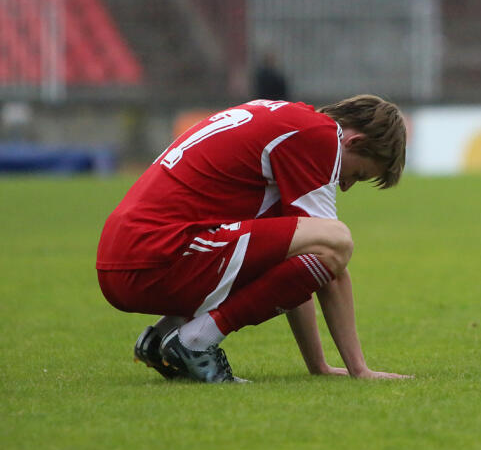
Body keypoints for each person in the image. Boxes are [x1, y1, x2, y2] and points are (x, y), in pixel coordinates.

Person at [96, 95, 411, 383]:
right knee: (337, 239)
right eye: (358, 175)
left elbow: (300, 265)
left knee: (316, 241)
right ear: (354, 142)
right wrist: (360, 370)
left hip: (127, 254)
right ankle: (194, 341)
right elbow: (331, 257)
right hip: (156, 252)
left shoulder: (283, 118)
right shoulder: (320, 136)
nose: (346, 186)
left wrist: (319, 366)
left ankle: (165, 336)